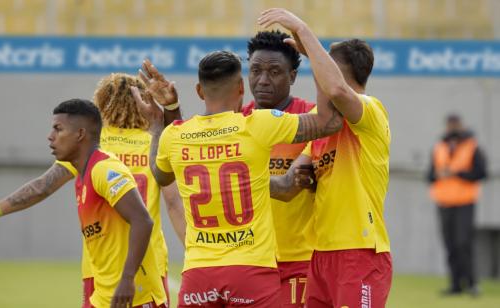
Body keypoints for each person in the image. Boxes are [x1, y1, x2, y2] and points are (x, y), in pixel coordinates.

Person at [132, 49, 342, 307]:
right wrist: (311, 50)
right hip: (250, 270)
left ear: (199, 91)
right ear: (242, 87)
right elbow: (330, 122)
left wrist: (159, 120)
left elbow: (160, 174)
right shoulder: (257, 125)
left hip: (199, 273)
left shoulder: (175, 135)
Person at [0, 99, 166, 308]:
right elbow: (38, 189)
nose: (50, 137)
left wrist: (127, 279)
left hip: (135, 295)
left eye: (58, 129)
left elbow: (143, 220)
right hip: (103, 294)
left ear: (80, 134)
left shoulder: (105, 169)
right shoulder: (83, 172)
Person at [260, 9, 392, 308]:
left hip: (360, 253)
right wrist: (238, 181)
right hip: (320, 256)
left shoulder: (371, 111)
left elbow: (335, 89)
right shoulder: (321, 132)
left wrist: (302, 30)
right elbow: (285, 188)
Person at [77, 66, 185, 308]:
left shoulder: (90, 146)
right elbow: (173, 202)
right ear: (142, 103)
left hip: (99, 261)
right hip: (150, 259)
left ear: (102, 104)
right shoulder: (153, 143)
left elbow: (45, 184)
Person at [242, 30, 316, 307]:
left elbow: (288, 189)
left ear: (293, 76)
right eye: (256, 70)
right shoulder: (236, 122)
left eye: (274, 72)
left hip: (298, 260)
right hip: (248, 260)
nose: (263, 80)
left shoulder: (312, 119)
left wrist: (233, 180)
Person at [427, 113, 487, 296]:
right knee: (450, 244)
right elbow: (429, 176)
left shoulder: (472, 146)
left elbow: (481, 172)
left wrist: (457, 173)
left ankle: (471, 283)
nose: (453, 128)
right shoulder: (439, 147)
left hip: (464, 202)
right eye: (450, 125)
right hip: (444, 202)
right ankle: (455, 285)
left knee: (463, 243)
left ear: (461, 125)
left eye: (456, 125)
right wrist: (439, 174)